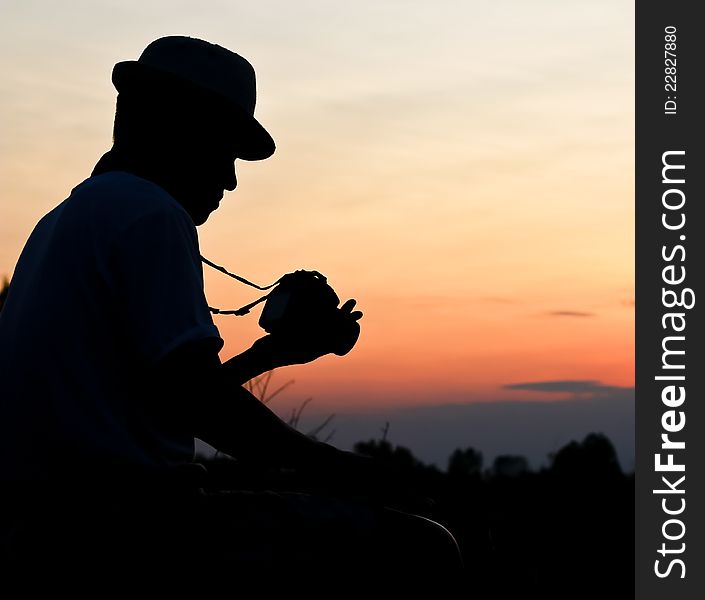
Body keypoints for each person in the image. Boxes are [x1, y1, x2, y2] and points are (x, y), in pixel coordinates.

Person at [0, 36, 463, 593]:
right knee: (425, 548)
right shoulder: (151, 216)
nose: (230, 179)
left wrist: (271, 355)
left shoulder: (64, 219)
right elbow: (197, 401)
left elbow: (159, 396)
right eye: (225, 151)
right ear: (179, 129)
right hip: (124, 530)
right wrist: (332, 466)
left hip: (46, 526)